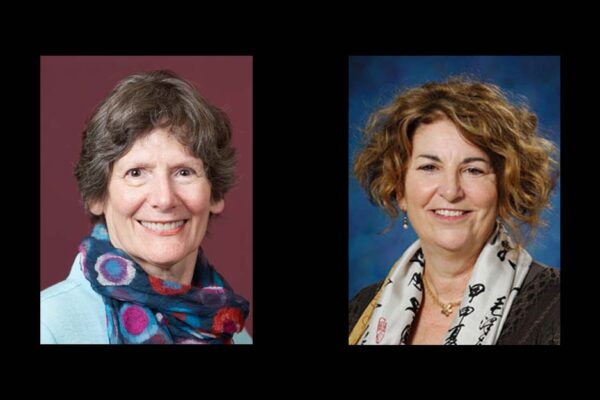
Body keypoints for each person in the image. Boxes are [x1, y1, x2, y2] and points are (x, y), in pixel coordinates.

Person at [41, 70, 252, 344]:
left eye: (184, 172)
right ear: (97, 196)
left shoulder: (234, 332)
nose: (164, 199)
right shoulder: (49, 326)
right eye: (137, 173)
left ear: (215, 194)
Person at [349, 77, 560, 345]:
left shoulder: (554, 307)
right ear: (399, 190)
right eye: (429, 167)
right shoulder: (360, 312)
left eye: (473, 170)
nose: (451, 191)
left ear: (505, 187)